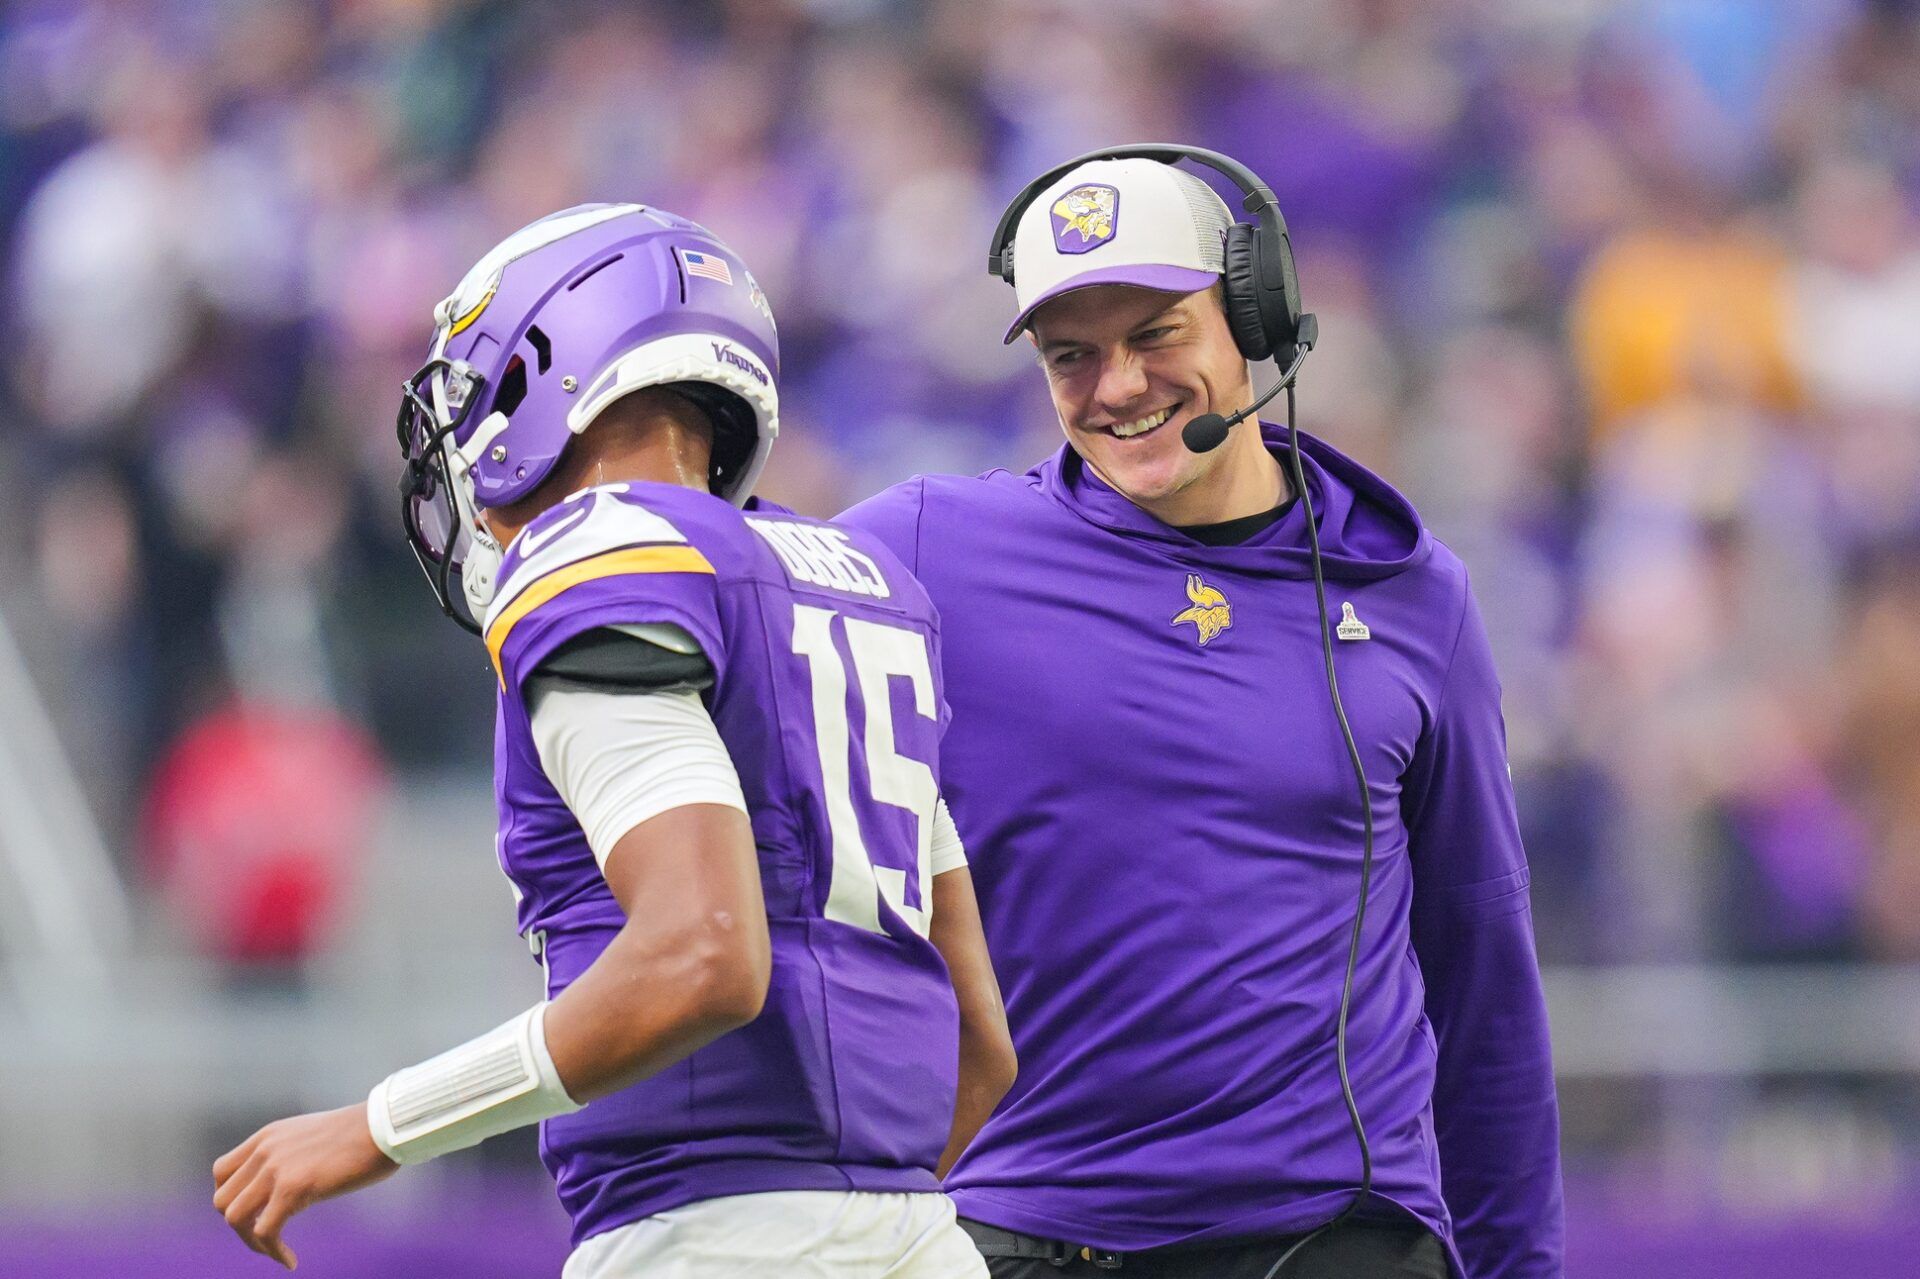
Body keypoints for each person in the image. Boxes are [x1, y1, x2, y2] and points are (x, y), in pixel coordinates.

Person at [212, 203, 1015, 1277]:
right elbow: (979, 1043)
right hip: (920, 1236)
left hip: (710, 1240)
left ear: (544, 372)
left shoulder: (600, 550)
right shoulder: (858, 585)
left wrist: (377, 1126)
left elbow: (702, 954)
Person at [839, 151, 1563, 1278]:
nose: (1117, 386)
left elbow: (1481, 973)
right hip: (1023, 1236)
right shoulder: (927, 547)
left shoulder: (1412, 596)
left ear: (1254, 319)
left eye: (1157, 335)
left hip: (1333, 1241)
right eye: (1070, 355)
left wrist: (1519, 1268)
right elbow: (712, 606)